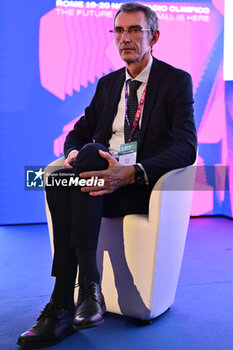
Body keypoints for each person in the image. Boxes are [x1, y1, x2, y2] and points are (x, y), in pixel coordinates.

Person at [17, 2, 197, 348]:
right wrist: (72, 152)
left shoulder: (176, 81)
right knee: (70, 169)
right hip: (98, 179)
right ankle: (87, 294)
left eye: (134, 30)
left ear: (153, 36)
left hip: (137, 185)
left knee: (79, 173)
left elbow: (186, 147)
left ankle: (63, 304)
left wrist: (132, 172)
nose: (125, 38)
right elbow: (80, 130)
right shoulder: (108, 84)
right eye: (119, 30)